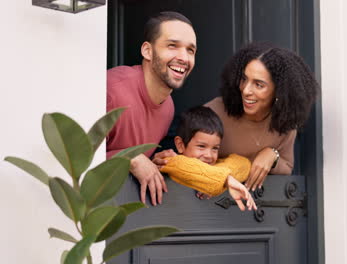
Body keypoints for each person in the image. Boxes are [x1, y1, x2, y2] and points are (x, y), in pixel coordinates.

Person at [106, 11, 196, 206]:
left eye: (190, 50)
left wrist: (153, 163)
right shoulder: (112, 91)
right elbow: (74, 164)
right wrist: (130, 158)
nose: (184, 57)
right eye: (173, 45)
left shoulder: (168, 107)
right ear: (147, 51)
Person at [205, 42, 319, 191]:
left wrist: (272, 155)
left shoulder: (284, 124)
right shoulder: (214, 112)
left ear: (280, 92)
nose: (246, 90)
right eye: (244, 79)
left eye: (258, 85)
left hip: (256, 210)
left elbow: (287, 167)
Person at [159, 106, 257, 211]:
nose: (209, 155)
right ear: (180, 145)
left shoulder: (214, 166)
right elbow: (182, 165)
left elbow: (244, 164)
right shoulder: (168, 160)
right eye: (201, 146)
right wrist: (225, 179)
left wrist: (212, 178)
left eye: (215, 148)